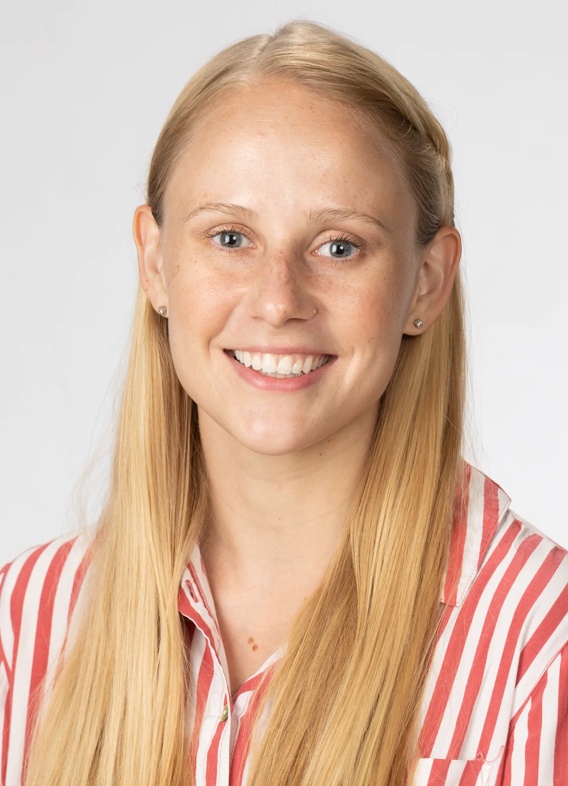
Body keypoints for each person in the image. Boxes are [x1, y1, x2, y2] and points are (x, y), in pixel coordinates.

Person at [1, 19, 566, 786]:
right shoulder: (24, 622)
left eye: (339, 246)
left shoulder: (542, 646)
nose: (278, 300)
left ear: (427, 281)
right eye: (230, 238)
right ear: (156, 262)